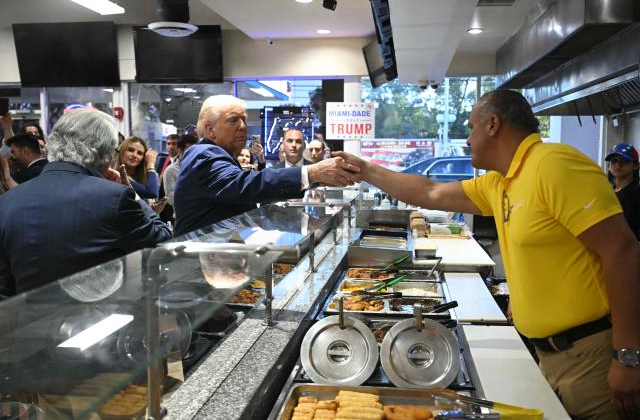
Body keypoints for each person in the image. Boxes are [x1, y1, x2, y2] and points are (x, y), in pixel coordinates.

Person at [336, 90, 640, 420]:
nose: (467, 139)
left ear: (493, 124)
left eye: (470, 127)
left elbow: (623, 253)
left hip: (591, 352)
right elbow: (429, 191)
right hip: (550, 352)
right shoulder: (502, 182)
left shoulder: (554, 165)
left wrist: (627, 354)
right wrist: (365, 170)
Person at [0, 109, 171, 296]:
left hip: (26, 321)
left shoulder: (7, 202)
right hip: (98, 316)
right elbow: (162, 241)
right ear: (104, 153)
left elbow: (5, 287)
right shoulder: (115, 198)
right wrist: (134, 195)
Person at [173, 95, 359, 236]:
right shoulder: (203, 155)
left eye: (244, 120)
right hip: (199, 265)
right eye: (233, 120)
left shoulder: (217, 155)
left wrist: (320, 177)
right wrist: (313, 172)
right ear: (210, 130)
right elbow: (245, 186)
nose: (243, 126)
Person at [605, 142, 640, 241]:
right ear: (609, 166)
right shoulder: (607, 193)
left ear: (636, 165)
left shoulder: (637, 193)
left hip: (630, 251)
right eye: (614, 160)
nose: (618, 164)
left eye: (625, 160)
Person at [163, 133, 198, 215]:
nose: (194, 154)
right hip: (184, 216)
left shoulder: (199, 166)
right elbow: (171, 199)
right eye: (189, 151)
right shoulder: (171, 170)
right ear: (179, 150)